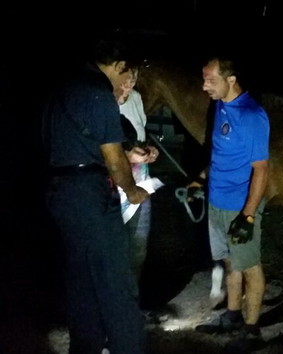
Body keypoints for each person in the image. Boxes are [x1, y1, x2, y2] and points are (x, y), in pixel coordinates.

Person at [41, 34, 148, 354]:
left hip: (59, 191)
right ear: (117, 65)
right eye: (126, 73)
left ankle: (85, 346)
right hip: (88, 192)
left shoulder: (62, 89)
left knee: (81, 278)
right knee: (115, 280)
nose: (127, 81)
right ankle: (128, 346)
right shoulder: (98, 93)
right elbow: (113, 158)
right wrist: (132, 190)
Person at [192, 56, 270, 350]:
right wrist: (200, 178)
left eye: (210, 80)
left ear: (231, 80)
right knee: (230, 263)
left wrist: (248, 215)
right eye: (204, 79)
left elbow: (262, 169)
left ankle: (252, 331)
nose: (204, 86)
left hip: (239, 207)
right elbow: (221, 155)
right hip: (216, 202)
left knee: (250, 266)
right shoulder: (221, 106)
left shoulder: (252, 115)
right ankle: (233, 316)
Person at [116, 75, 159, 283]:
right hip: (112, 191)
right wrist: (128, 156)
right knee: (114, 251)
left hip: (141, 184)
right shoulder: (101, 103)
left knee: (138, 250)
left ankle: (133, 305)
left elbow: (140, 136)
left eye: (133, 80)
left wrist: (148, 150)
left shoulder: (135, 98)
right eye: (123, 80)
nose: (128, 86)